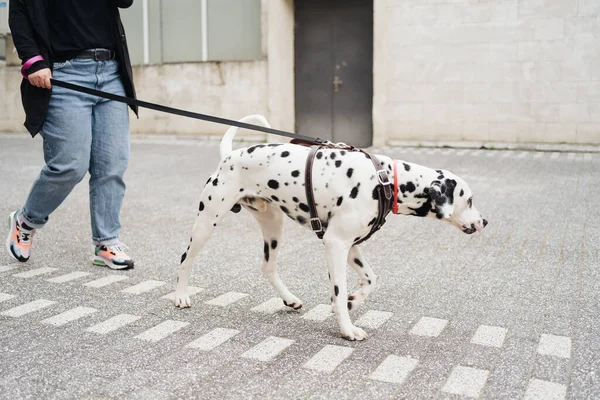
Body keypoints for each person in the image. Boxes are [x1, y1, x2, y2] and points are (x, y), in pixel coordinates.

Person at [7, 0, 138, 270]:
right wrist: (31, 58)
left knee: (112, 163)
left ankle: (106, 241)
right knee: (69, 164)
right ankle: (26, 220)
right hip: (62, 73)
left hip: (110, 70)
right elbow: (19, 11)